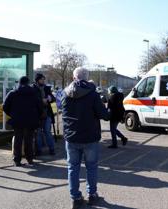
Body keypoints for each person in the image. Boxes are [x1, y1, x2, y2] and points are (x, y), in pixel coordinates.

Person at [62, 67, 109, 208]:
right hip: (90, 137)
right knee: (91, 167)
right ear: (87, 77)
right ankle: (92, 195)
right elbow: (104, 115)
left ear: (73, 77)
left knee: (73, 168)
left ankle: (75, 198)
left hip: (71, 137)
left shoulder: (65, 93)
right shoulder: (93, 94)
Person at [3, 76, 43, 166]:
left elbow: (5, 106)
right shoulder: (34, 93)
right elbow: (40, 107)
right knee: (29, 139)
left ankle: (17, 160)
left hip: (17, 120)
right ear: (28, 83)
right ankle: (30, 159)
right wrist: (37, 116)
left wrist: (12, 114)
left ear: (19, 83)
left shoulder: (12, 93)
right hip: (31, 120)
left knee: (18, 139)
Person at [32, 73, 56, 156]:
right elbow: (32, 101)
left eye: (43, 79)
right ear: (37, 80)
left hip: (47, 113)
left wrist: (50, 99)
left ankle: (52, 149)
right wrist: (41, 101)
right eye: (41, 79)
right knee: (38, 132)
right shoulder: (33, 89)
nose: (43, 80)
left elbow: (53, 98)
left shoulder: (47, 88)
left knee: (47, 132)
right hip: (37, 114)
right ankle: (38, 150)